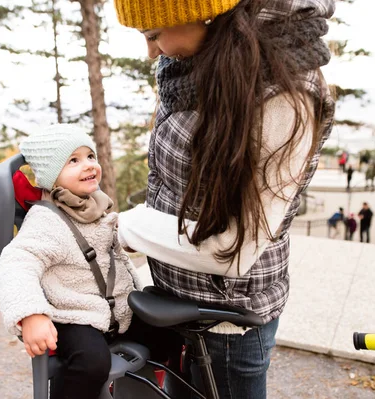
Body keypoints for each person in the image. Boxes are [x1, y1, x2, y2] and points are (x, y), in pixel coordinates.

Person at [113, 0, 336, 398]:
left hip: (226, 323)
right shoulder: (199, 61)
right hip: (184, 299)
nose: (151, 52)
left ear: (207, 13)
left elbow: (233, 249)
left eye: (153, 34)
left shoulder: (283, 97)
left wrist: (127, 226)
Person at [0, 124, 182, 399]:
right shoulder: (46, 221)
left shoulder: (95, 205)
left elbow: (115, 254)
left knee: (172, 333)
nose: (89, 165)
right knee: (90, 363)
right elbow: (16, 262)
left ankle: (144, 391)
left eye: (90, 156)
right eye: (73, 160)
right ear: (51, 175)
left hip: (114, 311)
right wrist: (30, 314)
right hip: (74, 314)